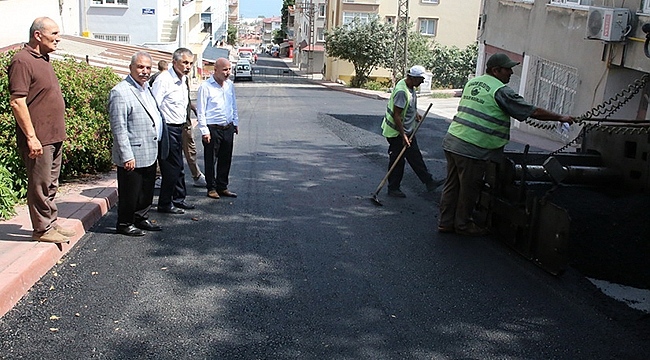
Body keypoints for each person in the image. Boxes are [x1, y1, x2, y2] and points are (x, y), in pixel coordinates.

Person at [438, 53, 575, 236]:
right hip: (473, 147)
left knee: (452, 185)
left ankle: (446, 222)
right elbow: (530, 111)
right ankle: (463, 225)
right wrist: (560, 117)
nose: (511, 72)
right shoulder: (500, 90)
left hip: (453, 140)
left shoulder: (474, 82)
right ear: (496, 70)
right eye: (507, 69)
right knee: (468, 189)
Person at [8, 17, 76, 243]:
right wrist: (31, 137)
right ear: (38, 35)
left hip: (54, 135)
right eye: (54, 34)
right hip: (39, 138)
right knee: (39, 184)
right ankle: (42, 229)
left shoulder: (44, 59)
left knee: (51, 183)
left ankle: (51, 223)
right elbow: (18, 101)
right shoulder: (22, 61)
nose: (58, 38)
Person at [109, 51, 168, 236]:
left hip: (150, 149)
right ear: (131, 68)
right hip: (132, 153)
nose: (144, 71)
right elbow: (119, 127)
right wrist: (126, 155)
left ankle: (140, 218)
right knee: (130, 192)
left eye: (148, 67)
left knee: (146, 189)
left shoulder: (146, 88)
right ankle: (125, 223)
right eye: (140, 67)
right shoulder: (120, 92)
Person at [381, 65, 443, 198]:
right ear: (413, 78)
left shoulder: (409, 87)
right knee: (398, 160)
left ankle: (429, 182)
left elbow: (407, 107)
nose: (422, 81)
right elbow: (396, 115)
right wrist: (403, 135)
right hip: (396, 132)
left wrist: (415, 114)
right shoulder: (402, 91)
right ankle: (393, 188)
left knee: (415, 156)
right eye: (420, 79)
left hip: (407, 131)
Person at [152, 48, 195, 214]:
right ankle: (165, 203)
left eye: (190, 63)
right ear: (174, 61)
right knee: (171, 168)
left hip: (179, 127)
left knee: (179, 167)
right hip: (167, 128)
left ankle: (178, 199)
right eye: (185, 62)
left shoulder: (183, 80)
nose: (188, 66)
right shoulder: (164, 80)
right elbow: (155, 105)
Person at [197, 57, 239, 200]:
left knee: (225, 158)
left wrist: (235, 122)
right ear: (215, 70)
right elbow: (201, 110)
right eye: (225, 70)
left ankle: (222, 186)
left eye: (229, 69)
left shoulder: (229, 85)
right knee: (211, 160)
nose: (227, 73)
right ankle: (211, 188)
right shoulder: (205, 87)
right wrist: (204, 130)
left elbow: (233, 104)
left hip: (227, 127)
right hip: (212, 128)